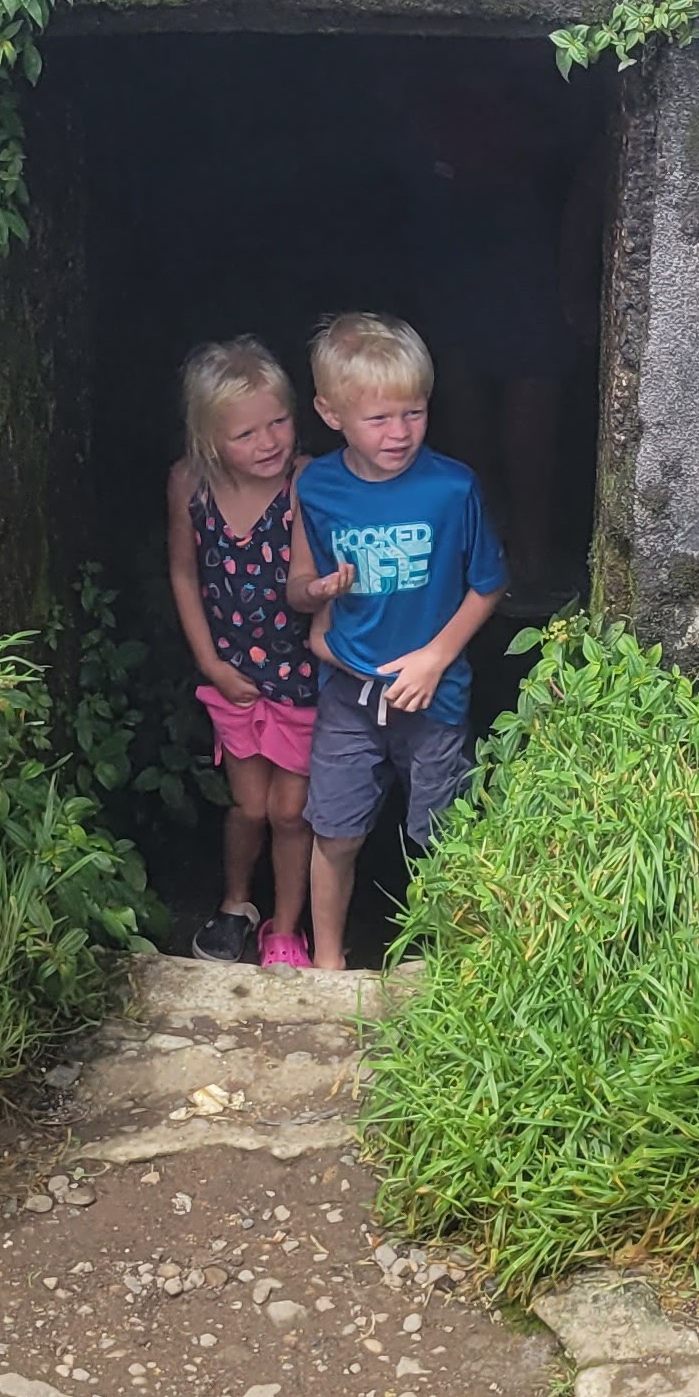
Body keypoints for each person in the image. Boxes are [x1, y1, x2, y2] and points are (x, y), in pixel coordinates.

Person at [293, 311, 505, 968]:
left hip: (434, 696)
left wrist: (437, 658)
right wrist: (317, 594)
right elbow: (297, 584)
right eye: (379, 419)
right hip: (349, 694)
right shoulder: (317, 486)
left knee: (439, 835)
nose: (400, 433)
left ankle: (443, 958)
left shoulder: (451, 486)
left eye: (413, 414)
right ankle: (327, 964)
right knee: (335, 832)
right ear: (331, 414)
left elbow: (489, 583)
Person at [166, 336, 328, 970]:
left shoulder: (306, 480)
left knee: (292, 812)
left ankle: (287, 927)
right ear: (208, 440)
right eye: (246, 434)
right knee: (249, 807)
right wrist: (209, 664)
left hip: (303, 678)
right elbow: (184, 574)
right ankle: (237, 905)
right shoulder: (189, 485)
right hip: (234, 678)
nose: (270, 443)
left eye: (279, 422)